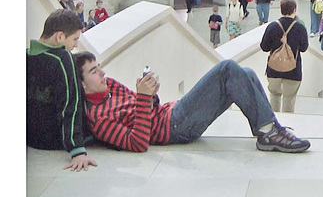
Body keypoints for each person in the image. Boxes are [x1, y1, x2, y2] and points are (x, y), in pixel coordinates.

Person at [73, 52, 310, 153]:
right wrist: (144, 98)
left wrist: (150, 94)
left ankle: (267, 129)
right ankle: (269, 132)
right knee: (227, 69)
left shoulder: (110, 86)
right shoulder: (98, 119)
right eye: (94, 72)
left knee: (244, 73)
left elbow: (145, 108)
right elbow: (138, 143)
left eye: (99, 67)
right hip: (175, 128)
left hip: (172, 112)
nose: (103, 74)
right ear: (82, 84)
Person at [27, 9, 97, 171]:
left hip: (32, 139)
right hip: (55, 140)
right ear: (59, 37)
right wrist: (77, 150)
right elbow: (70, 103)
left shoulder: (27, 56)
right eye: (74, 39)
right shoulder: (62, 59)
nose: (75, 45)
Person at [260, 0, 310, 113]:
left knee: (274, 96)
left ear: (281, 10)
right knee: (289, 99)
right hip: (293, 70)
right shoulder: (300, 28)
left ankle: (274, 125)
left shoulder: (272, 26)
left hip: (273, 69)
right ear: (294, 10)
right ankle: (286, 125)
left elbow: (264, 47)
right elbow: (304, 48)